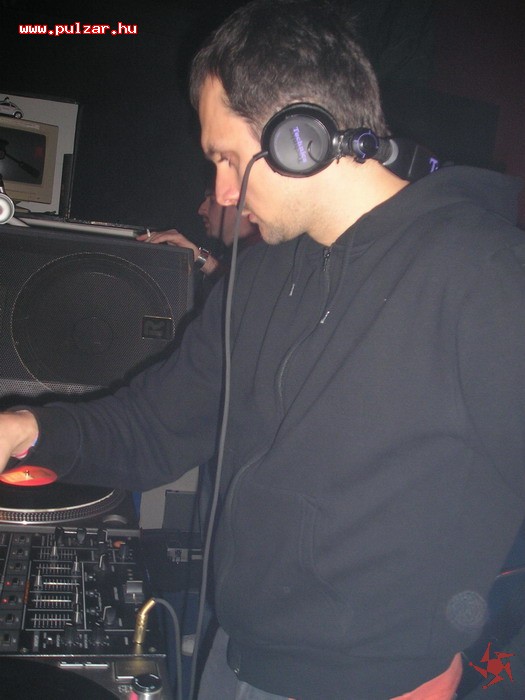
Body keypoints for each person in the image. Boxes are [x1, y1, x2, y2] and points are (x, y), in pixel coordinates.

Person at [0, 1, 524, 698]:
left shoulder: (486, 276)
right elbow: (157, 425)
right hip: (237, 658)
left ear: (301, 138)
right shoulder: (261, 276)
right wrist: (28, 428)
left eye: (226, 157)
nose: (223, 191)